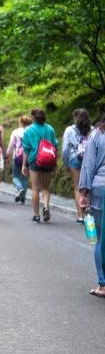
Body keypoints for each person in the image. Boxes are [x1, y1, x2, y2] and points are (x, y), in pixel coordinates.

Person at [77, 111, 105, 298]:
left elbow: (88, 164)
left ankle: (103, 285)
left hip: (100, 189)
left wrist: (83, 192)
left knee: (100, 238)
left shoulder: (97, 134)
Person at [21, 108, 58, 222]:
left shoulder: (28, 130)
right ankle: (46, 207)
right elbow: (55, 146)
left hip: (34, 160)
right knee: (45, 188)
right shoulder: (50, 129)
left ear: (32, 117)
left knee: (35, 189)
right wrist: (55, 163)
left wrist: (24, 165)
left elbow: (26, 149)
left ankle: (36, 215)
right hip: (48, 161)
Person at [62, 108, 92, 223]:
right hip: (89, 160)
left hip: (75, 160)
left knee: (77, 188)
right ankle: (89, 213)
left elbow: (65, 150)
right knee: (87, 188)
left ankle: (80, 216)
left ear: (75, 118)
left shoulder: (69, 130)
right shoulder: (93, 129)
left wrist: (66, 163)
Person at [6, 115, 31, 203]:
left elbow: (11, 145)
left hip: (16, 157)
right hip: (28, 156)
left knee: (15, 177)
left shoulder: (16, 132)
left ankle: (20, 189)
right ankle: (22, 199)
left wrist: (7, 154)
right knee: (25, 177)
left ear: (20, 122)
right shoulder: (31, 132)